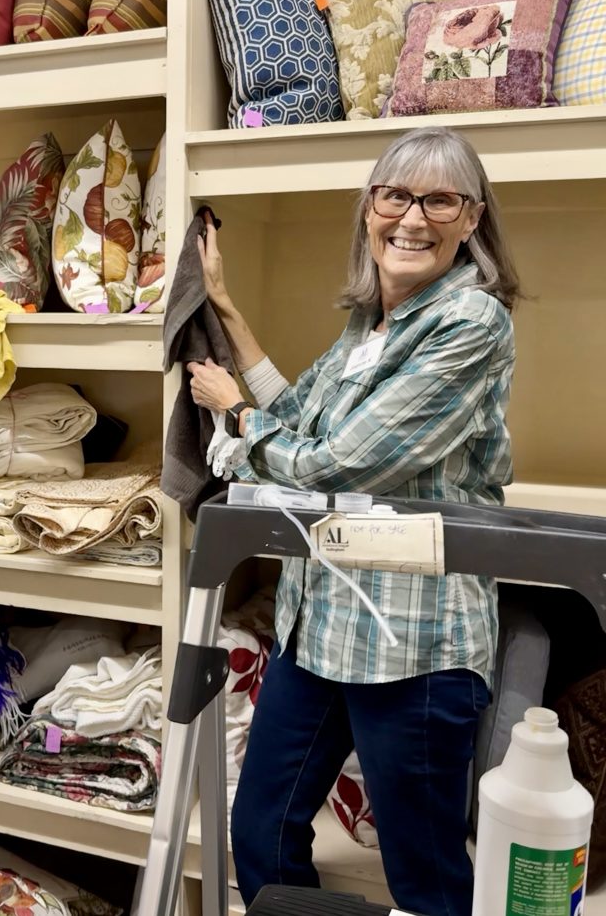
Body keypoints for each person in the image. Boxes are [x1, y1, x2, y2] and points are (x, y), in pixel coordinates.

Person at [186, 127, 520, 916]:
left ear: (471, 219)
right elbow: (297, 420)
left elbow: (342, 464)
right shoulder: (369, 328)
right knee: (261, 829)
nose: (412, 217)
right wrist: (227, 311)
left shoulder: (470, 323)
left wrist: (233, 425)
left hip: (414, 645)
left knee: (425, 874)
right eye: (394, 195)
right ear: (369, 209)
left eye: (439, 199)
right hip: (322, 626)